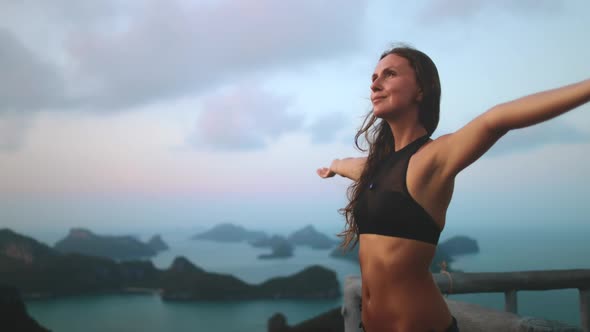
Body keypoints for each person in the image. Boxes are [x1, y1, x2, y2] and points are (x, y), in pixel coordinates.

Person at [316, 44, 590, 332]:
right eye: (373, 77)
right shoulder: (376, 168)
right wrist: (333, 167)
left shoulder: (432, 159)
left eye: (390, 74)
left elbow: (496, 120)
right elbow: (350, 164)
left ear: (421, 91)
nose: (375, 82)